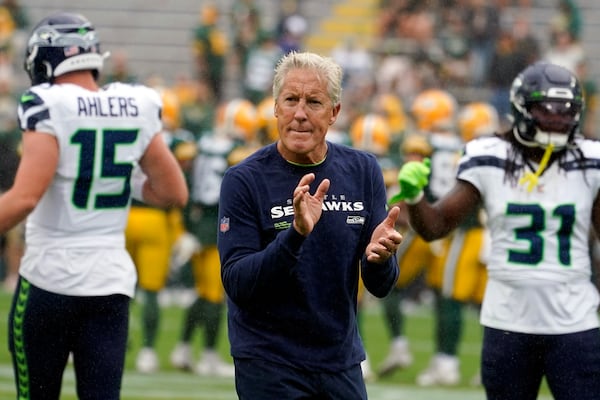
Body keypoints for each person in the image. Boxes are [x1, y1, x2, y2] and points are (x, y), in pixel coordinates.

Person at [3, 12, 188, 400]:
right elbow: (173, 193)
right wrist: (126, 180)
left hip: (48, 278)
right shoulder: (135, 103)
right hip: (109, 283)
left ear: (46, 58)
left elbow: (24, 198)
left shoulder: (47, 102)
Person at [392, 61, 600, 399]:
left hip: (575, 324)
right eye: (546, 111)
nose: (558, 120)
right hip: (508, 324)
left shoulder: (590, 159)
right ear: (521, 109)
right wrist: (415, 197)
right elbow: (435, 227)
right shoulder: (490, 155)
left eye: (566, 112)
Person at [217, 51, 402, 399]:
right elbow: (238, 282)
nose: (300, 114)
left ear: (334, 112)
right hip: (269, 363)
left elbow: (380, 285)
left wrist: (380, 259)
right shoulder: (244, 180)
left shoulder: (363, 170)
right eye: (290, 100)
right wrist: (296, 235)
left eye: (314, 102)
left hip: (340, 362)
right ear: (275, 107)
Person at [170, 98, 259, 378]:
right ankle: (207, 353)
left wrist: (185, 225)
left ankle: (183, 348)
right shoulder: (236, 151)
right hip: (218, 221)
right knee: (214, 294)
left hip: (198, 221)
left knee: (204, 292)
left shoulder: (202, 142)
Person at [127, 88, 196, 373]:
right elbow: (182, 185)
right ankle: (147, 352)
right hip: (157, 219)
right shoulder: (180, 141)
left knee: (113, 286)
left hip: (123, 216)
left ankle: (100, 340)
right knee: (152, 291)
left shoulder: (131, 132)